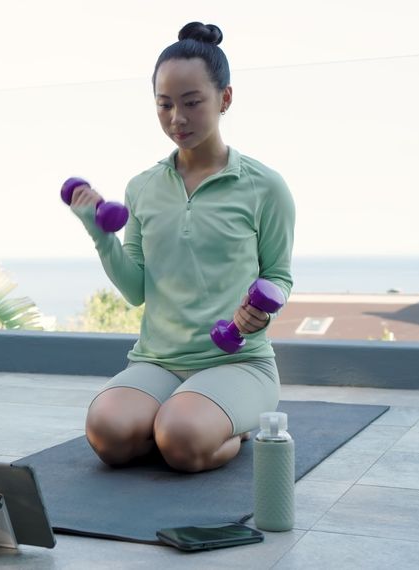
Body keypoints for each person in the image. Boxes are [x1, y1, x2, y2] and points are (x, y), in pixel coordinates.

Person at [69, 21, 295, 473]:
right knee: (106, 434)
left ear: (224, 99)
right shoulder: (143, 187)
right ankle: (176, 419)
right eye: (165, 104)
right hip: (157, 362)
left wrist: (262, 312)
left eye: (192, 103)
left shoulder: (265, 186)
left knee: (181, 441)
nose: (177, 118)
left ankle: (226, 427)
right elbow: (135, 290)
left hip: (238, 364)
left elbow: (278, 276)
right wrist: (99, 233)